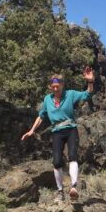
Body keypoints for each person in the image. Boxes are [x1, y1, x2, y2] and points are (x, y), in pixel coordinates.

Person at [21, 67, 95, 202]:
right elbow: (41, 116)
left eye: (58, 86)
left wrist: (90, 82)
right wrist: (32, 130)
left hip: (70, 129)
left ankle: (74, 187)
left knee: (72, 156)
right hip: (56, 132)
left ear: (62, 85)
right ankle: (60, 192)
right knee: (56, 162)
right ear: (51, 86)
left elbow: (87, 94)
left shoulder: (70, 94)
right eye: (53, 87)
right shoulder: (47, 100)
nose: (55, 89)